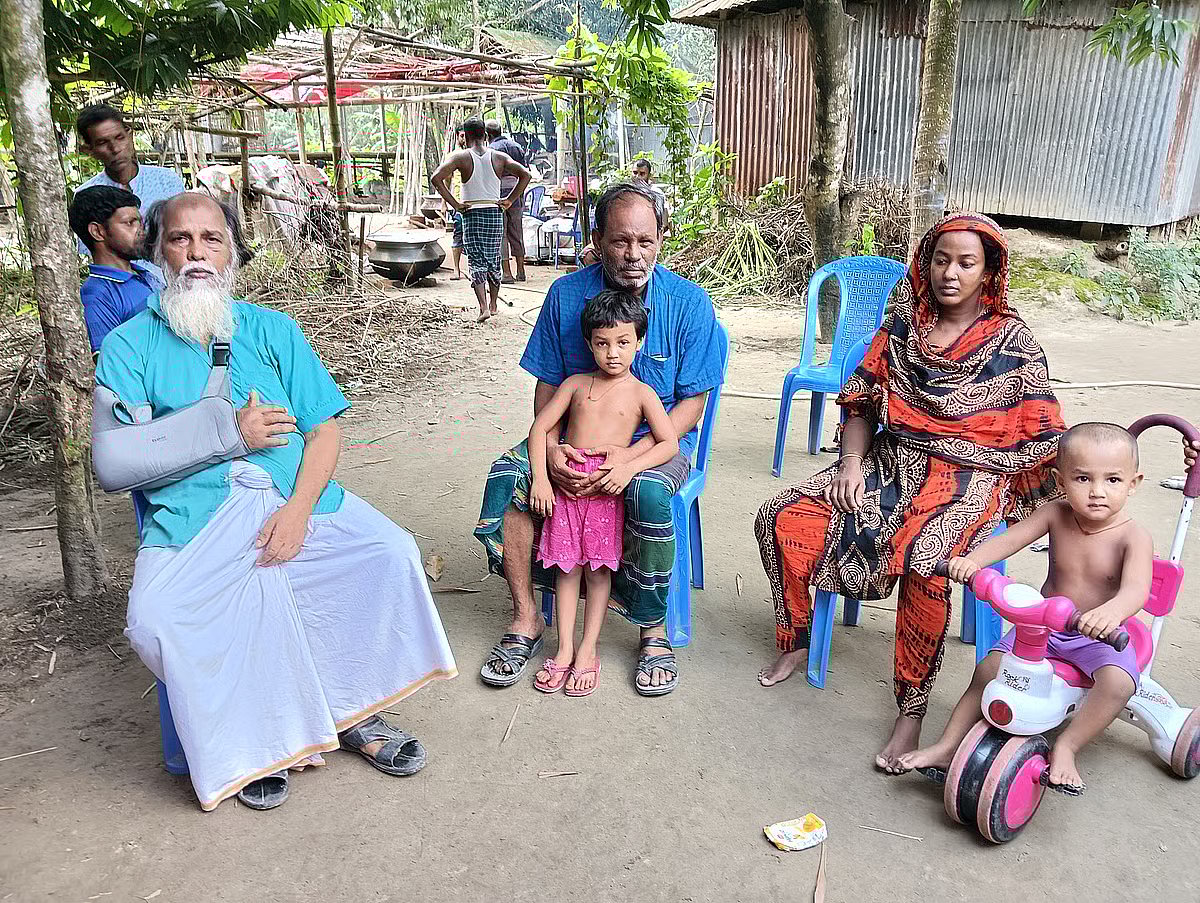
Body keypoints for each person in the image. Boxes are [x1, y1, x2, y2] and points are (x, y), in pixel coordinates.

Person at [94, 193, 456, 812]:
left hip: (294, 495)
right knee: (154, 621)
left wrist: (298, 512)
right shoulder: (130, 345)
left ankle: (354, 712)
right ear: (157, 252)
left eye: (212, 238)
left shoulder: (272, 330)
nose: (197, 252)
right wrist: (225, 435)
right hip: (194, 514)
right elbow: (113, 463)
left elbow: (324, 431)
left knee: (389, 552)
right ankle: (260, 738)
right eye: (180, 239)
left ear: (232, 251)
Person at [753, 214, 1067, 772]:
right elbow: (859, 398)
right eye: (941, 259)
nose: (950, 273)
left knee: (927, 560)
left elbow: (1046, 433)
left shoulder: (1014, 343)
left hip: (971, 473)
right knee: (782, 515)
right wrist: (850, 463)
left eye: (966, 263)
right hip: (888, 462)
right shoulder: (904, 323)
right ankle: (797, 637)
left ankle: (911, 708)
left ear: (988, 271)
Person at [475, 181, 724, 696]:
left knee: (648, 492)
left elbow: (691, 408)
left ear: (662, 238)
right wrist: (550, 450)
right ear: (597, 238)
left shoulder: (690, 305)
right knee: (509, 477)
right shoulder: (566, 297)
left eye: (646, 241)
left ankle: (652, 629)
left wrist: (630, 459)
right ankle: (526, 617)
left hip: (655, 443)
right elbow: (547, 391)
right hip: (570, 438)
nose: (634, 254)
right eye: (619, 241)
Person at [899, 423, 1152, 793]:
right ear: (1059, 479)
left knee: (1118, 684)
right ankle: (947, 746)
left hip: (1098, 636)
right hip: (1044, 628)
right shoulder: (1055, 514)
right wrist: (973, 561)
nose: (1097, 492)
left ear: (1133, 483)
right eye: (1082, 478)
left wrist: (1111, 613)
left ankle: (1067, 745)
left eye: (1112, 480)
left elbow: (1136, 590)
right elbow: (1011, 538)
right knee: (987, 669)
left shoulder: (1133, 536)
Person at [528, 290, 679, 696]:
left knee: (596, 573)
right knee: (565, 570)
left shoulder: (642, 394)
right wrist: (542, 479)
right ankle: (563, 649)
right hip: (566, 489)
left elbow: (668, 444)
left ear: (639, 340)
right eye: (602, 343)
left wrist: (629, 465)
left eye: (623, 342)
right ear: (589, 343)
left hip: (605, 491)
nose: (613, 353)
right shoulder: (575, 384)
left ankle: (588, 650)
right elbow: (540, 429)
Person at [431, 118, 531, 322]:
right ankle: (494, 305)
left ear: (465, 136)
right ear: (484, 135)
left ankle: (483, 307)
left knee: (476, 260)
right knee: (493, 258)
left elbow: (436, 178)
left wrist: (455, 204)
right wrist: (510, 200)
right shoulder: (499, 157)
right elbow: (526, 175)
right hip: (494, 212)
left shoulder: (460, 157)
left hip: (472, 213)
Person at [75, 104, 185, 283]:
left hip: (175, 284)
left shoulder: (166, 181)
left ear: (129, 134)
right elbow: (99, 256)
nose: (115, 148)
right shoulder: (87, 195)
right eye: (103, 142)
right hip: (125, 293)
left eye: (119, 138)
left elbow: (185, 235)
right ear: (89, 150)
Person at [68, 185, 162, 354]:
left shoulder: (144, 274)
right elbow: (109, 364)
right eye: (130, 223)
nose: (141, 231)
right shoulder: (97, 296)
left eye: (140, 222)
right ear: (97, 232)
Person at [486, 120, 528, 284]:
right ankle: (521, 270)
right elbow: (524, 171)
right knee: (516, 231)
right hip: (516, 192)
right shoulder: (516, 146)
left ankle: (507, 273)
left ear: (487, 135)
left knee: (501, 233)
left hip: (499, 193)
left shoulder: (491, 150)